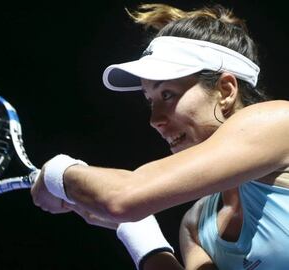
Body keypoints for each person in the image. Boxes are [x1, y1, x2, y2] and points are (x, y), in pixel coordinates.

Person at [31, 3, 289, 270]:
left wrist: (58, 171)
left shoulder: (279, 123)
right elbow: (126, 204)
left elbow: (122, 197)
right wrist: (139, 234)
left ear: (226, 91)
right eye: (150, 101)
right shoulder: (196, 225)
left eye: (168, 94)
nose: (155, 120)